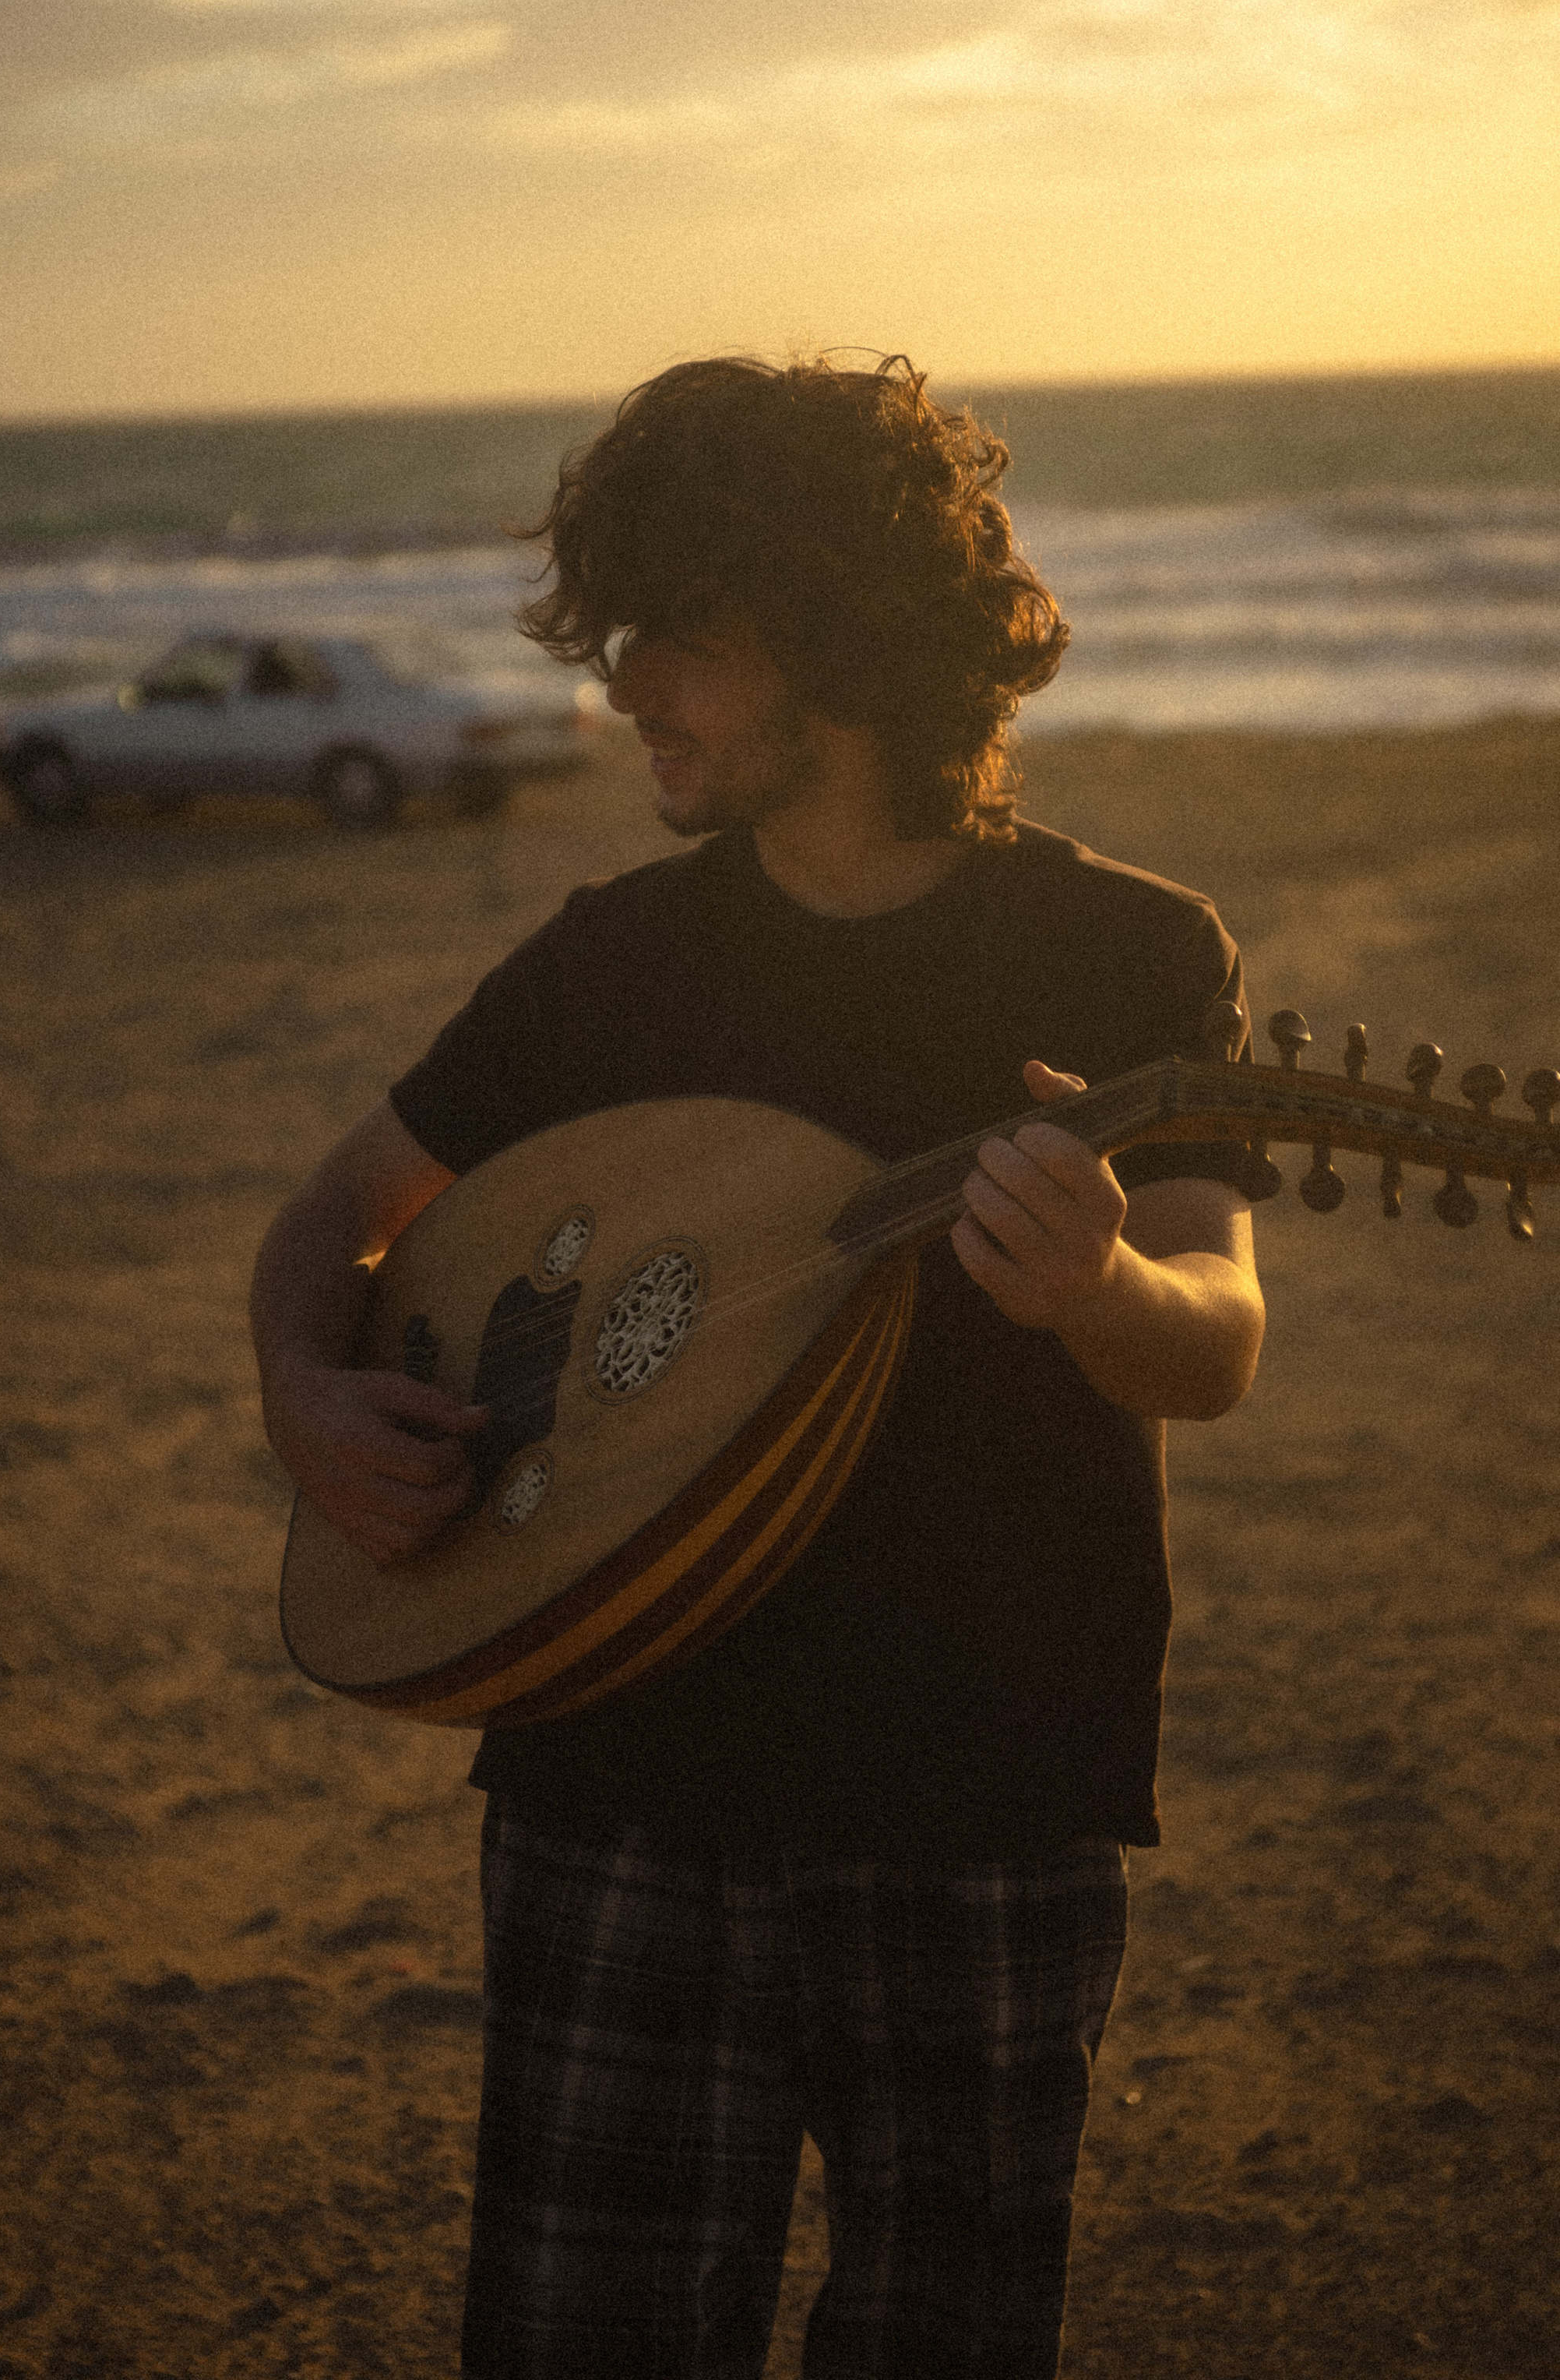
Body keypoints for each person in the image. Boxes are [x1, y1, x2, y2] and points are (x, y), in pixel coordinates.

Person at [250, 354, 1265, 2380]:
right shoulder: (611, 964)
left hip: (988, 1781)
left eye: (681, 634)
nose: (627, 682)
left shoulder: (1130, 959)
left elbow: (1216, 1336)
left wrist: (1095, 1295)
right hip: (620, 1777)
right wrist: (308, 1399)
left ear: (841, 635)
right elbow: (332, 1222)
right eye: (616, 631)